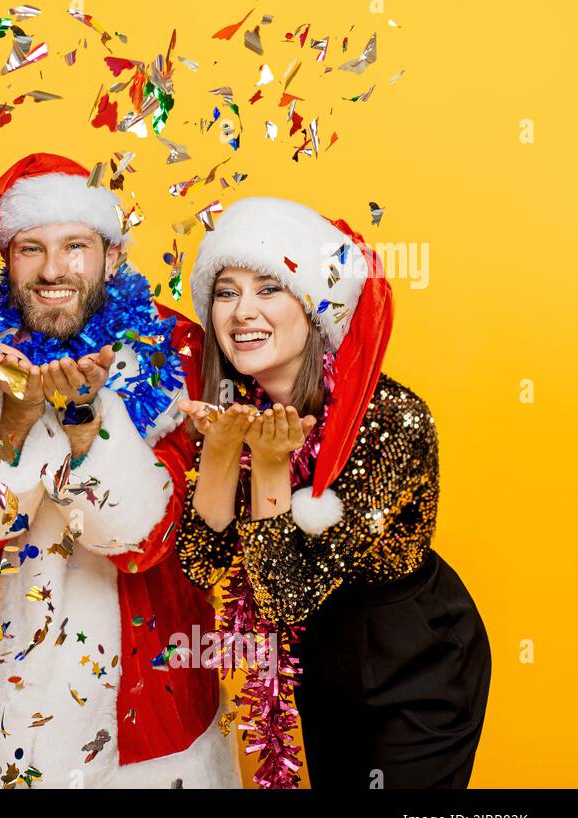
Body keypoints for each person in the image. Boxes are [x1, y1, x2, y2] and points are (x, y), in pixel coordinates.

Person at [0, 153, 241, 789]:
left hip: (155, 717)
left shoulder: (172, 348)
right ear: (6, 261)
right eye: (30, 249)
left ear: (113, 256)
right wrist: (12, 420)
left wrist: (83, 428)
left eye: (76, 246)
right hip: (19, 704)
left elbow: (148, 541)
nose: (52, 270)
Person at [176, 196, 491, 788]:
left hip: (415, 653)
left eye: (269, 288)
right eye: (226, 291)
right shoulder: (235, 413)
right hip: (321, 655)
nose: (242, 312)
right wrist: (220, 453)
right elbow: (200, 562)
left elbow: (287, 596)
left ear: (317, 309)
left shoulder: (393, 419)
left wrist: (268, 468)